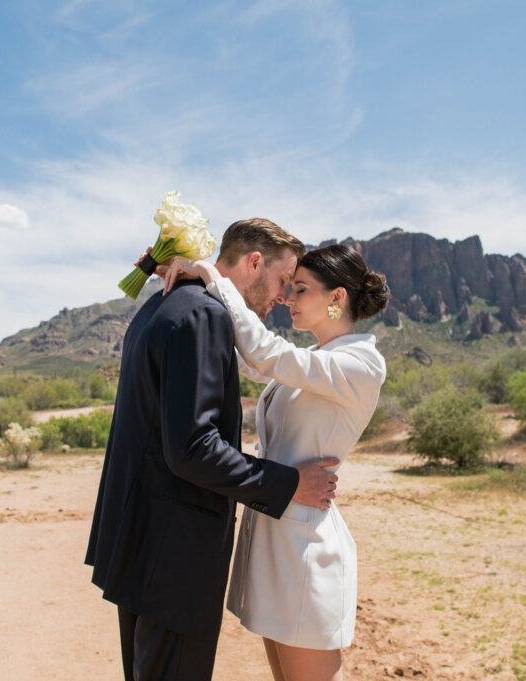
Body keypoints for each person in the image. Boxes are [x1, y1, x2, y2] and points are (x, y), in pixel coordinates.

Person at [85, 218, 343, 681]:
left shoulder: (161, 305)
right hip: (174, 554)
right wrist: (289, 484)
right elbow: (193, 448)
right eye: (284, 281)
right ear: (254, 262)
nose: (284, 297)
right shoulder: (205, 315)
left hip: (138, 541)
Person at [162, 244, 390, 681]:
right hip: (276, 539)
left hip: (305, 549)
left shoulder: (361, 363)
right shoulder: (318, 362)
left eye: (300, 289)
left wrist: (214, 277)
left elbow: (266, 354)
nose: (287, 299)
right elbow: (259, 363)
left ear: (336, 298)